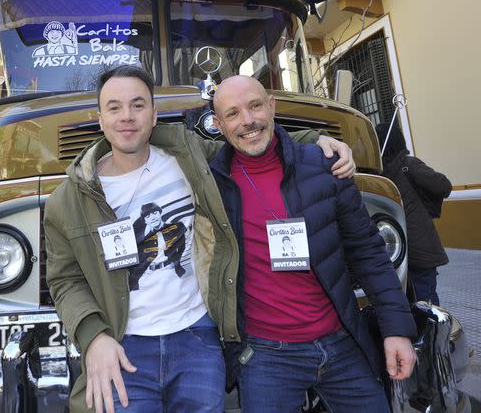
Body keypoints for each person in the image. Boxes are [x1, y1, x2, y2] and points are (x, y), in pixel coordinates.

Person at [44, 66, 356, 413]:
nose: (127, 117)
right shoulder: (67, 201)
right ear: (100, 118)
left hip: (197, 339)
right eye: (114, 107)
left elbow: (250, 141)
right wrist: (94, 337)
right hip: (122, 345)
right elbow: (65, 280)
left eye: (138, 105)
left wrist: (315, 141)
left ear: (154, 114)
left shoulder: (189, 155)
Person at [209, 76, 417, 413]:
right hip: (266, 359)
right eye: (232, 114)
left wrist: (396, 329)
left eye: (255, 106)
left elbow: (368, 250)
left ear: (272, 106)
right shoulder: (212, 187)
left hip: (341, 345)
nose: (247, 121)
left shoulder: (323, 166)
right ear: (218, 125)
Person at [376, 122, 452, 305]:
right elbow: (444, 186)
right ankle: (432, 332)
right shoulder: (408, 165)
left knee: (405, 299)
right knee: (426, 300)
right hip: (419, 243)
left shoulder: (377, 175)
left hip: (391, 246)